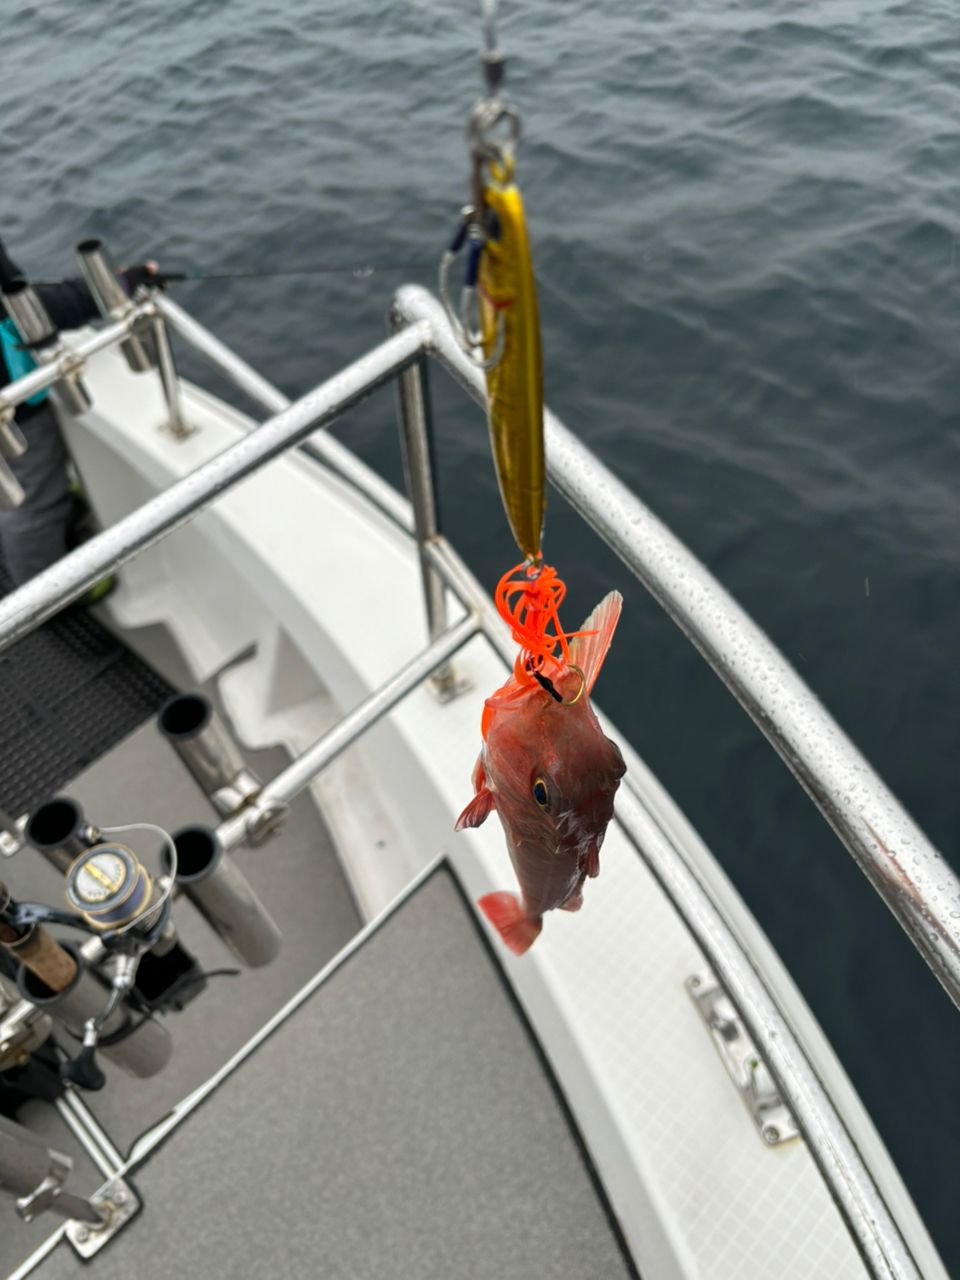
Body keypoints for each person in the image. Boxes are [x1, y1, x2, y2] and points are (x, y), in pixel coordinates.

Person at [0, 237, 159, 592]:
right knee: (35, 503)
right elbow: (23, 308)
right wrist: (113, 288)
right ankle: (43, 593)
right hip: (12, 409)